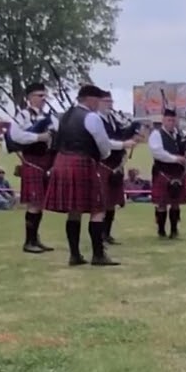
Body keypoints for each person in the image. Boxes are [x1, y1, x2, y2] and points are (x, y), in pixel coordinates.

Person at [43, 85, 118, 266]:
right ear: (91, 99)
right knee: (98, 209)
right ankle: (98, 255)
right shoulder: (92, 117)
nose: (99, 104)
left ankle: (75, 255)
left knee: (74, 210)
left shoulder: (65, 116)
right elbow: (103, 144)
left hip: (62, 161)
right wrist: (104, 156)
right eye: (98, 100)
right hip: (83, 162)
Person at [6, 82, 56, 254]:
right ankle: (29, 242)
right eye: (39, 96)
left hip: (46, 161)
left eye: (44, 96)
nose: (43, 99)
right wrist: (38, 137)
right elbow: (16, 136)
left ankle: (35, 238)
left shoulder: (48, 116)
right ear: (30, 98)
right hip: (32, 161)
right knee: (34, 204)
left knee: (40, 203)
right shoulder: (23, 115)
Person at [98, 96, 141, 246]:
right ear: (99, 102)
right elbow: (105, 142)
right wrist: (124, 144)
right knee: (102, 202)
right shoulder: (97, 120)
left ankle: (107, 233)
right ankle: (100, 235)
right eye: (107, 101)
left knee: (111, 202)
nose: (110, 104)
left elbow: (121, 134)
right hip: (104, 163)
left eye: (111, 101)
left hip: (116, 164)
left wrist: (133, 131)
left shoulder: (112, 118)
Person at [148, 107, 186, 239]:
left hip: (178, 173)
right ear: (163, 120)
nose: (171, 123)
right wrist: (175, 158)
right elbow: (157, 152)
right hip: (163, 172)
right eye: (168, 120)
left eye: (173, 120)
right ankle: (161, 230)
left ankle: (174, 230)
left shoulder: (180, 135)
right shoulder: (156, 134)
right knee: (162, 203)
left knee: (175, 203)